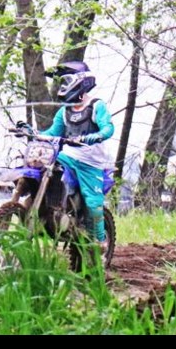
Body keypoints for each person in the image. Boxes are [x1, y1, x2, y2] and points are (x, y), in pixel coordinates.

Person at [37, 61, 115, 251]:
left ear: (79, 82)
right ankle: (52, 209)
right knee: (44, 168)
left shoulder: (96, 106)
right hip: (68, 155)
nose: (62, 87)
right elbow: (52, 132)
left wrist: (96, 136)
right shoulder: (65, 111)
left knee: (92, 200)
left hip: (91, 161)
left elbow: (108, 128)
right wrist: (32, 132)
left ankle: (98, 241)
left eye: (66, 82)